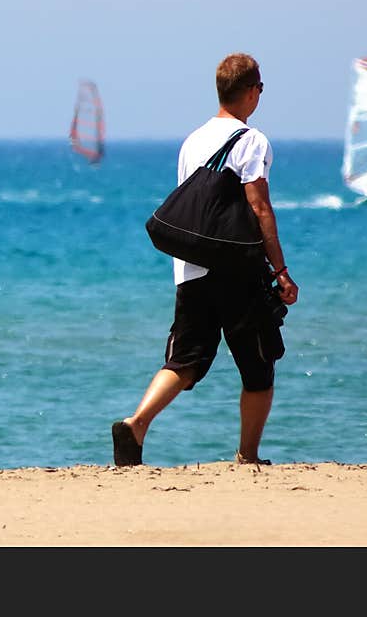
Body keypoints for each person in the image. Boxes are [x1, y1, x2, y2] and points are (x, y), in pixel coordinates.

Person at [112, 52, 299, 467]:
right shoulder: (252, 140)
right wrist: (281, 271)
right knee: (258, 363)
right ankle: (247, 456)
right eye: (261, 89)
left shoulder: (193, 140)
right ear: (252, 92)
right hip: (236, 271)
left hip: (190, 269)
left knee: (185, 360)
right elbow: (260, 207)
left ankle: (137, 423)